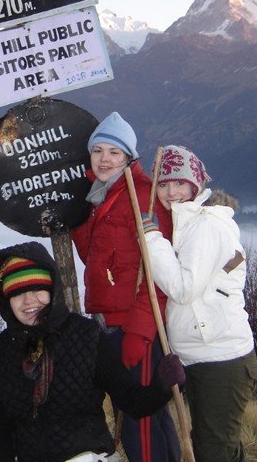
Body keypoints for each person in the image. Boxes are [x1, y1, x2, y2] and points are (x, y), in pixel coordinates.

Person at [0, 241, 186, 462]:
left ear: (52, 290)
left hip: (88, 456)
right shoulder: (0, 351)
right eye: (17, 294)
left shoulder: (85, 335)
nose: (28, 301)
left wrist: (162, 386)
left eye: (36, 289)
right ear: (6, 301)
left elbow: (133, 402)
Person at [70, 111, 181, 462]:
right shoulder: (99, 196)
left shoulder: (145, 198)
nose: (104, 159)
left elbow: (159, 276)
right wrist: (77, 219)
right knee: (149, 413)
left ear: (129, 157)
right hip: (109, 321)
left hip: (136, 325)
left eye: (114, 152)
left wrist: (141, 331)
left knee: (140, 419)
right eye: (98, 151)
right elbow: (98, 263)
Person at [140, 145, 257, 462]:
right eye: (162, 184)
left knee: (211, 451)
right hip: (203, 356)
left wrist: (151, 239)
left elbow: (183, 288)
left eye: (179, 183)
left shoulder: (205, 225)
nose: (171, 192)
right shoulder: (187, 225)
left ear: (196, 184)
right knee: (219, 446)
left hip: (221, 358)